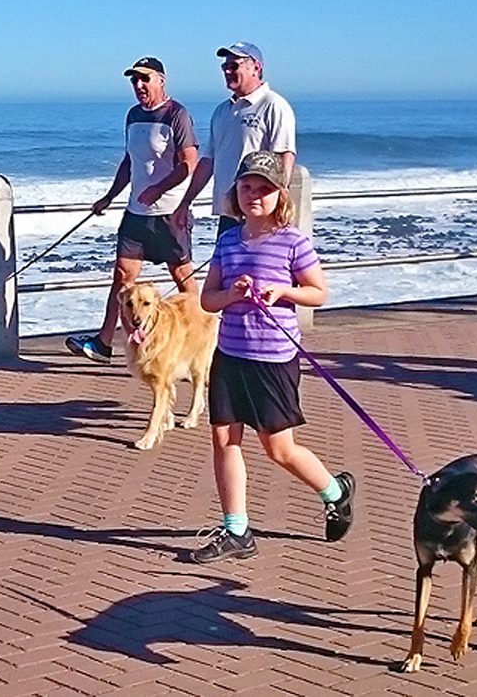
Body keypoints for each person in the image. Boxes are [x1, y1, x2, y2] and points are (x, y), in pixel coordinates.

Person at [191, 150, 355, 563]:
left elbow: (318, 292)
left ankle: (334, 491)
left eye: (263, 189)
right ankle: (237, 530)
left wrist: (282, 291)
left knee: (278, 449)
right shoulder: (228, 240)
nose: (253, 195)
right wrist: (232, 294)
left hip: (274, 359)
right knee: (224, 439)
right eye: (246, 187)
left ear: (280, 194)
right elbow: (208, 300)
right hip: (230, 354)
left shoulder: (292, 241)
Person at [65, 57, 200, 364]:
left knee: (181, 275)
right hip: (136, 212)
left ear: (161, 80)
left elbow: (188, 164)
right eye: (134, 80)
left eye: (145, 78)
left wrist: (158, 189)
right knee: (122, 276)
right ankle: (104, 343)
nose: (139, 85)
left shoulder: (177, 115)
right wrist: (109, 196)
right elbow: (130, 162)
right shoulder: (133, 115)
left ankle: (199, 337)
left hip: (169, 212)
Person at [172, 42, 296, 239]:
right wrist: (186, 201)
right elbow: (208, 161)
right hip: (229, 212)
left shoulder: (273, 105)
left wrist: (278, 207)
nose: (227, 71)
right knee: (226, 259)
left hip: (259, 214)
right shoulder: (222, 111)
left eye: (234, 66)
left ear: (256, 67)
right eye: (225, 66)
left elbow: (284, 157)